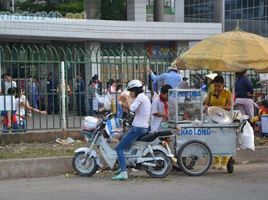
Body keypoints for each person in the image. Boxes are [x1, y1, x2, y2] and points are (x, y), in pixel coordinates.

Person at [113, 80, 151, 180]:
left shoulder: (140, 97)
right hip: (143, 127)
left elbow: (132, 108)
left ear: (135, 90)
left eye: (130, 91)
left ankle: (124, 173)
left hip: (138, 128)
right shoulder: (144, 97)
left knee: (119, 148)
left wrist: (123, 102)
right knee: (126, 146)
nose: (130, 93)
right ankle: (124, 167)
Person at [204, 75, 232, 170]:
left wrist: (219, 108)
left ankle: (225, 161)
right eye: (215, 85)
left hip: (224, 118)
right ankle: (216, 161)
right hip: (213, 118)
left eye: (219, 86)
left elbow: (230, 107)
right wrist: (207, 107)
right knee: (214, 139)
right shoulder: (211, 92)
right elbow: (207, 104)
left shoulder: (227, 92)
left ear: (223, 85)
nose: (217, 88)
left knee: (224, 139)